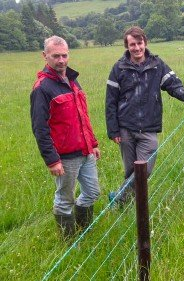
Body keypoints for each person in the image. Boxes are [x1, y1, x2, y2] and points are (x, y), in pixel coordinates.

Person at [106, 26, 184, 205]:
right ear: (127, 46)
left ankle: (118, 198)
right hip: (125, 128)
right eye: (132, 44)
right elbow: (110, 101)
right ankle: (131, 204)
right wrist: (113, 130)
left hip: (148, 127)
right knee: (130, 170)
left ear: (145, 42)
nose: (137, 48)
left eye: (139, 43)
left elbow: (173, 84)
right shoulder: (118, 68)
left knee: (144, 170)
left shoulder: (157, 65)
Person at [30, 36, 101, 239]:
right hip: (65, 157)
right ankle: (70, 241)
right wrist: (52, 160)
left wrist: (93, 143)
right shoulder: (42, 89)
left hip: (86, 151)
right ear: (45, 56)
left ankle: (83, 230)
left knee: (93, 192)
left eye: (64, 55)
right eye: (55, 56)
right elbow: (40, 128)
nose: (61, 60)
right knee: (64, 200)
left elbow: (82, 115)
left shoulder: (72, 79)